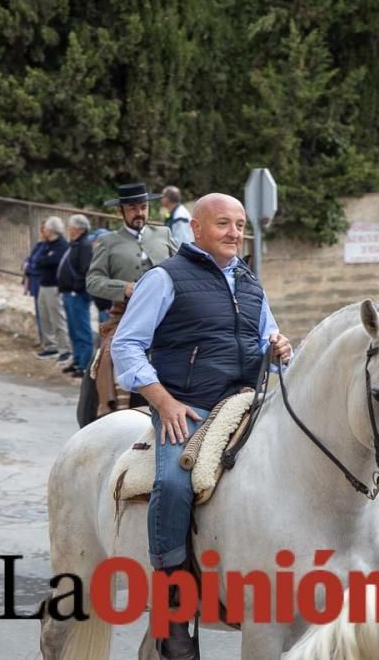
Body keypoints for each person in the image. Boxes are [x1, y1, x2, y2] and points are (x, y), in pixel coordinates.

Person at [111, 193, 292, 658]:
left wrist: (280, 351)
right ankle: (172, 609)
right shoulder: (165, 278)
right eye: (223, 224)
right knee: (174, 483)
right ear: (195, 228)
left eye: (239, 225)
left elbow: (267, 338)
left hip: (247, 401)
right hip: (187, 407)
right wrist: (163, 401)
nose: (234, 233)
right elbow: (127, 347)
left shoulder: (251, 283)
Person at [86, 182, 176, 416]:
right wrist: (124, 288)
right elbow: (93, 281)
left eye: (143, 207)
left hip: (167, 313)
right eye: (133, 208)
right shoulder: (107, 242)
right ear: (121, 212)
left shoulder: (164, 234)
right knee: (109, 354)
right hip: (126, 316)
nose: (140, 213)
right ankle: (108, 409)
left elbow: (182, 268)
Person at [57, 214, 95, 378]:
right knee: (73, 329)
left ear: (78, 228)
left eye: (71, 226)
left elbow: (85, 269)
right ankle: (78, 360)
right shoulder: (76, 244)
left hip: (77, 294)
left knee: (82, 329)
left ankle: (85, 364)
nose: (69, 229)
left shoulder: (85, 245)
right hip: (69, 292)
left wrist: (76, 287)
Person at [33, 216, 71, 363]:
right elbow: (38, 260)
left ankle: (64, 349)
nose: (44, 231)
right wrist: (44, 259)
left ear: (52, 230)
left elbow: (51, 261)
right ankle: (50, 346)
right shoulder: (46, 244)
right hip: (43, 284)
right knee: (44, 317)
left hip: (55, 287)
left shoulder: (62, 245)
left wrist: (44, 260)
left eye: (46, 228)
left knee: (58, 318)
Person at [22, 223, 49, 347]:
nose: (42, 233)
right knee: (39, 312)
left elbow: (38, 265)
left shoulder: (48, 247)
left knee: (44, 314)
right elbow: (30, 258)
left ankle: (46, 340)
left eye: (44, 230)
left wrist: (30, 268)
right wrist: (26, 264)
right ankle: (41, 338)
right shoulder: (39, 245)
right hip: (35, 282)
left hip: (41, 282)